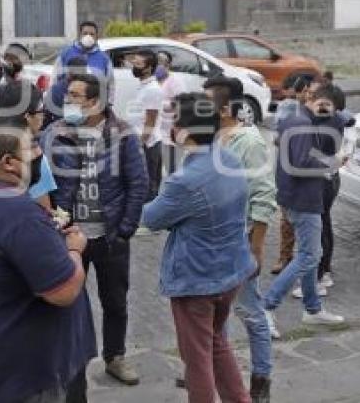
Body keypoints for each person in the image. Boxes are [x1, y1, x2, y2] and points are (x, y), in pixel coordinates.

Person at [0, 115, 95, 403]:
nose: (39, 153)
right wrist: (74, 248)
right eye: (32, 147)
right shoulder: (14, 212)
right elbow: (64, 290)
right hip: (22, 381)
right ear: (8, 162)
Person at [142, 92, 254, 403]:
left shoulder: (185, 180)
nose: (170, 128)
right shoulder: (229, 159)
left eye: (174, 122)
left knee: (197, 359)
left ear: (186, 132)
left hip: (198, 280)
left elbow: (151, 218)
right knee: (217, 342)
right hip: (230, 271)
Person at [42, 73, 148, 387]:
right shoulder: (56, 132)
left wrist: (126, 228)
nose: (67, 100)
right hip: (69, 236)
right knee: (69, 303)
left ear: (95, 102)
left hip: (110, 236)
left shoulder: (122, 134)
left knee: (115, 301)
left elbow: (138, 183)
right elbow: (42, 182)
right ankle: (71, 365)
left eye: (75, 95)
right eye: (68, 94)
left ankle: (115, 356)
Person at [204, 76, 277, 402]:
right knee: (214, 314)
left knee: (250, 312)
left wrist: (256, 246)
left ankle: (261, 380)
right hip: (212, 243)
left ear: (223, 107)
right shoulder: (211, 138)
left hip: (239, 242)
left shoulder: (249, 142)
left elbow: (264, 196)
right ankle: (212, 373)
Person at [264, 85, 345, 338]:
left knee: (310, 253)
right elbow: (299, 164)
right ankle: (267, 306)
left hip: (301, 197)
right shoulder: (301, 123)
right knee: (310, 255)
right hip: (303, 198)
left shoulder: (299, 119)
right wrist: (332, 164)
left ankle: (312, 310)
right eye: (330, 110)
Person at [271, 74, 311, 275]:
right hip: (287, 169)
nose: (308, 95)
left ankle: (311, 260)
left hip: (309, 172)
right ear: (297, 92)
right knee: (286, 217)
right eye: (305, 91)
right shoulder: (287, 108)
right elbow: (276, 138)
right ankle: (285, 256)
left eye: (311, 92)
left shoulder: (318, 110)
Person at [0, 80, 58, 209]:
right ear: (27, 116)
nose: (43, 115)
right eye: (41, 110)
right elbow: (44, 211)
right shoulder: (34, 157)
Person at [50, 21, 115, 112]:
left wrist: (109, 103)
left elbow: (110, 83)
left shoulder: (104, 58)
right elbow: (55, 77)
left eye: (92, 34)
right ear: (80, 35)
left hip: (93, 106)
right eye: (85, 33)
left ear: (97, 37)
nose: (88, 36)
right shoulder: (66, 53)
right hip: (68, 104)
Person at [125, 49, 164, 199]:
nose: (134, 66)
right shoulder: (144, 86)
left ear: (148, 68)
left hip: (148, 145)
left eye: (138, 64)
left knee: (149, 186)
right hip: (142, 143)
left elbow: (150, 122)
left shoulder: (153, 90)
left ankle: (148, 219)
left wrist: (139, 146)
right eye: (134, 62)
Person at [156, 51, 185, 174]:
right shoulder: (153, 81)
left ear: (168, 65)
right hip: (157, 130)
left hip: (171, 130)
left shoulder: (175, 81)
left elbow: (182, 102)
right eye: (157, 62)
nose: (159, 65)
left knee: (171, 167)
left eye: (162, 63)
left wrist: (162, 105)